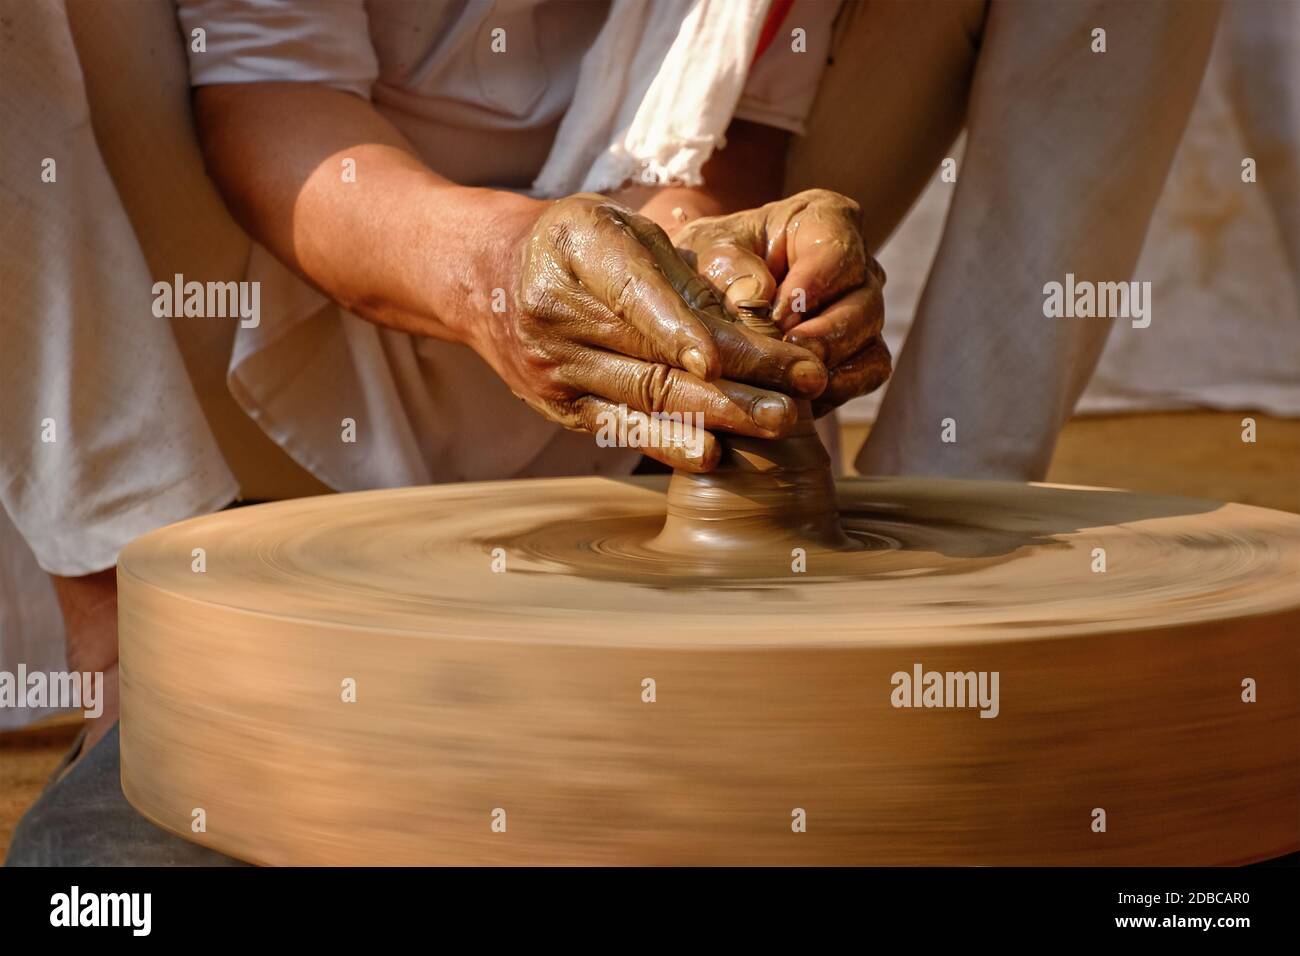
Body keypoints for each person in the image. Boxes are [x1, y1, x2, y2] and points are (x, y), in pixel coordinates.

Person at [3, 0, 1219, 865]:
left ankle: (933, 573)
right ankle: (139, 604)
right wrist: (491, 270)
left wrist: (712, 259)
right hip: (262, 304)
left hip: (629, 365)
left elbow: (720, 131)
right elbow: (272, 97)